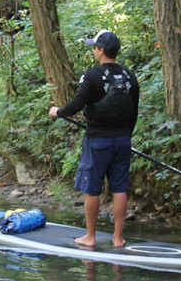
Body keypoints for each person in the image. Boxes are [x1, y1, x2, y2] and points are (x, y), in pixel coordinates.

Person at [49, 30, 139, 250]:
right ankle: (118, 238)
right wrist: (126, 135)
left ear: (101, 50)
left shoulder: (92, 75)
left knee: (92, 188)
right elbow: (134, 112)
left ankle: (90, 237)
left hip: (97, 141)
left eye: (94, 47)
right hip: (122, 140)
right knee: (119, 188)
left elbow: (76, 104)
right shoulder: (129, 76)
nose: (94, 50)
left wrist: (58, 112)